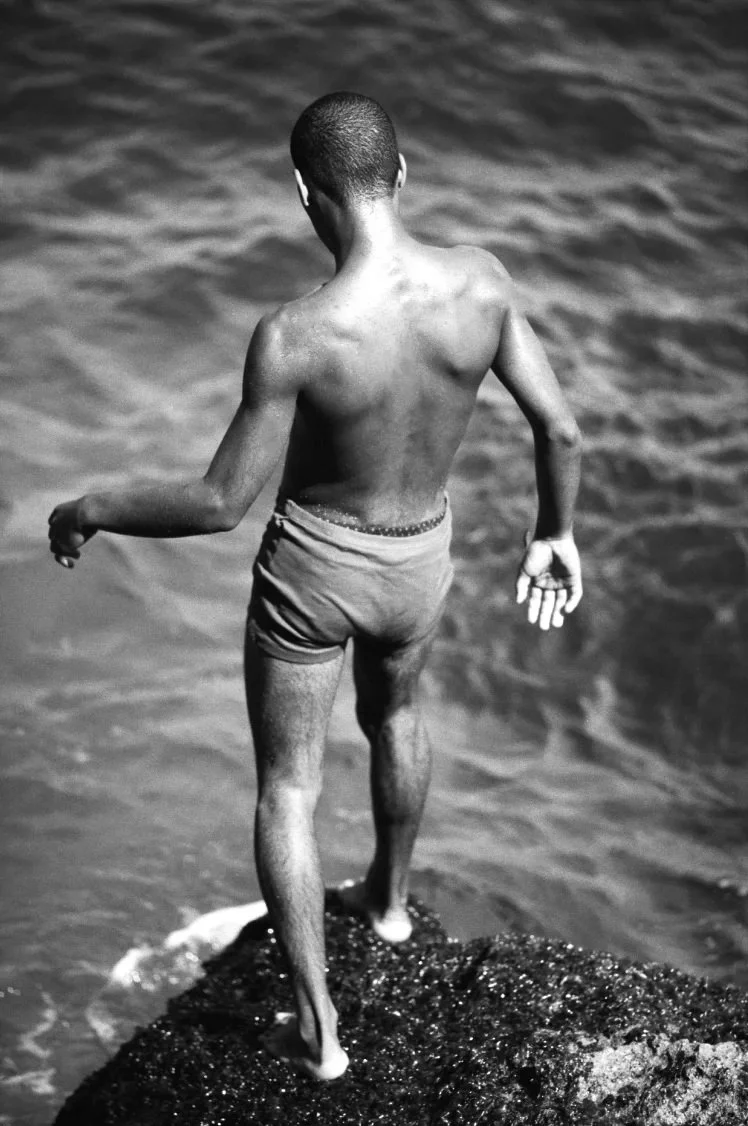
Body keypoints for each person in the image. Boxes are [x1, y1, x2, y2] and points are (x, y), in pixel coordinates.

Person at [48, 91, 583, 1081]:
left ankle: (320, 1033)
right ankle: (390, 905)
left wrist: (91, 505)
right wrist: (553, 533)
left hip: (315, 571)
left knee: (289, 786)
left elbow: (220, 502)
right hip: (419, 558)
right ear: (403, 173)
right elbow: (560, 429)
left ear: (304, 192)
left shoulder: (296, 333)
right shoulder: (483, 281)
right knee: (398, 715)